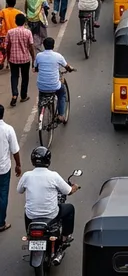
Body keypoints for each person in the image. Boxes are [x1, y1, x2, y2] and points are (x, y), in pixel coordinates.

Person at [17, 147, 79, 246]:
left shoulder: (26, 176)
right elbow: (68, 191)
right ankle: (65, 237)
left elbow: (19, 190)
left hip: (32, 215)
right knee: (70, 208)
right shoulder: (53, 176)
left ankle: (30, 235)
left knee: (27, 211)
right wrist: (75, 187)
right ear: (48, 160)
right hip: (51, 214)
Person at [34, 37, 74, 123]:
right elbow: (67, 66)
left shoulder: (39, 56)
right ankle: (60, 115)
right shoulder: (58, 56)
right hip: (54, 85)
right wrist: (71, 69)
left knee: (42, 95)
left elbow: (36, 68)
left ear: (44, 46)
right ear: (53, 45)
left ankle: (41, 110)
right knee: (62, 94)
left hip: (41, 86)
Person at [5, 14, 34, 106]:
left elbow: (7, 46)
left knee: (14, 76)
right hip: (25, 59)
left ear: (15, 21)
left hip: (13, 59)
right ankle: (23, 96)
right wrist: (33, 58)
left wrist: (8, 58)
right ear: (25, 21)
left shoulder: (10, 32)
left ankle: (14, 94)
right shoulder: (28, 32)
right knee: (25, 77)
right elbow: (31, 46)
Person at [0, 103, 21, 231]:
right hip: (3, 169)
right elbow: (15, 150)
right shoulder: (8, 129)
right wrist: (18, 165)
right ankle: (1, 222)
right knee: (3, 195)